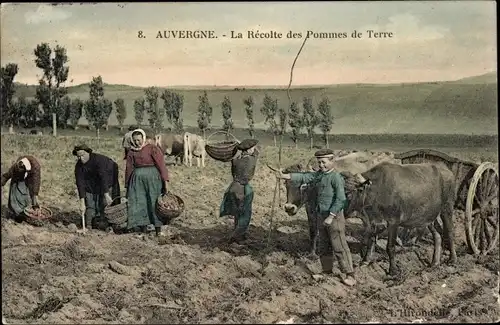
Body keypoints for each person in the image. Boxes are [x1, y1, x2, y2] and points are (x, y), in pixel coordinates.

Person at [276, 148, 356, 287]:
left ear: (332, 161)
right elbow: (305, 177)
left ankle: (350, 274)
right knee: (323, 245)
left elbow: (341, 199)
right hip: (321, 215)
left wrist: (331, 216)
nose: (321, 165)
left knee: (339, 246)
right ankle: (327, 270)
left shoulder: (336, 177)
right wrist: (285, 176)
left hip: (334, 217)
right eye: (319, 162)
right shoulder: (319, 175)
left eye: (324, 162)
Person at [125, 128, 169, 236]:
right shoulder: (131, 152)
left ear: (143, 138)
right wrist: (127, 183)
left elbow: (161, 164)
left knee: (154, 201)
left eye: (139, 140)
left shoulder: (152, 148)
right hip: (137, 181)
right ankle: (143, 228)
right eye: (134, 140)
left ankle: (158, 229)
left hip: (153, 179)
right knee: (139, 202)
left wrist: (165, 179)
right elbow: (129, 168)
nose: (137, 142)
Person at [219, 138, 260, 244]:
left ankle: (239, 234)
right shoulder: (250, 160)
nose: (254, 149)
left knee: (238, 213)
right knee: (245, 213)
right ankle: (236, 237)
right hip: (243, 189)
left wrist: (239, 146)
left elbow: (233, 171)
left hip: (233, 187)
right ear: (249, 149)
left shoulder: (236, 159)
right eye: (252, 147)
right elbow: (256, 154)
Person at [73, 144, 121, 230]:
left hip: (109, 175)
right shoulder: (79, 166)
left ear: (88, 152)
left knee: (104, 203)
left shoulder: (98, 161)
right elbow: (80, 184)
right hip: (91, 183)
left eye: (83, 155)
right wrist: (82, 202)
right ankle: (89, 225)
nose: (81, 159)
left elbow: (103, 177)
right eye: (78, 156)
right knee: (90, 204)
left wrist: (106, 194)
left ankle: (107, 224)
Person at [1, 155, 41, 221]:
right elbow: (6, 176)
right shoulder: (16, 166)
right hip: (17, 178)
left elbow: (35, 183)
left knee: (26, 194)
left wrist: (35, 199)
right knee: (15, 194)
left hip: (30, 178)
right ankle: (16, 213)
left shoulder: (35, 168)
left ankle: (24, 211)